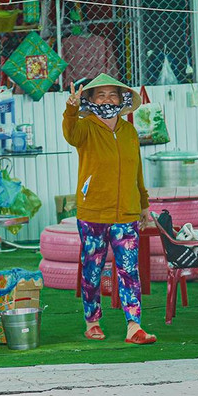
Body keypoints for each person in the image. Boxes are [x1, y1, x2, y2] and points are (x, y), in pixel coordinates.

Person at [63, 74, 155, 345]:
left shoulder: (129, 132)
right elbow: (70, 134)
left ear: (121, 99)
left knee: (129, 269)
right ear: (89, 100)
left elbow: (137, 171)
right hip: (93, 213)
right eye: (99, 95)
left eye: (112, 94)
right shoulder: (84, 128)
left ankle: (133, 326)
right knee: (93, 269)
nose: (107, 100)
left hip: (126, 213)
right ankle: (92, 322)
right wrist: (70, 108)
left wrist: (144, 205)